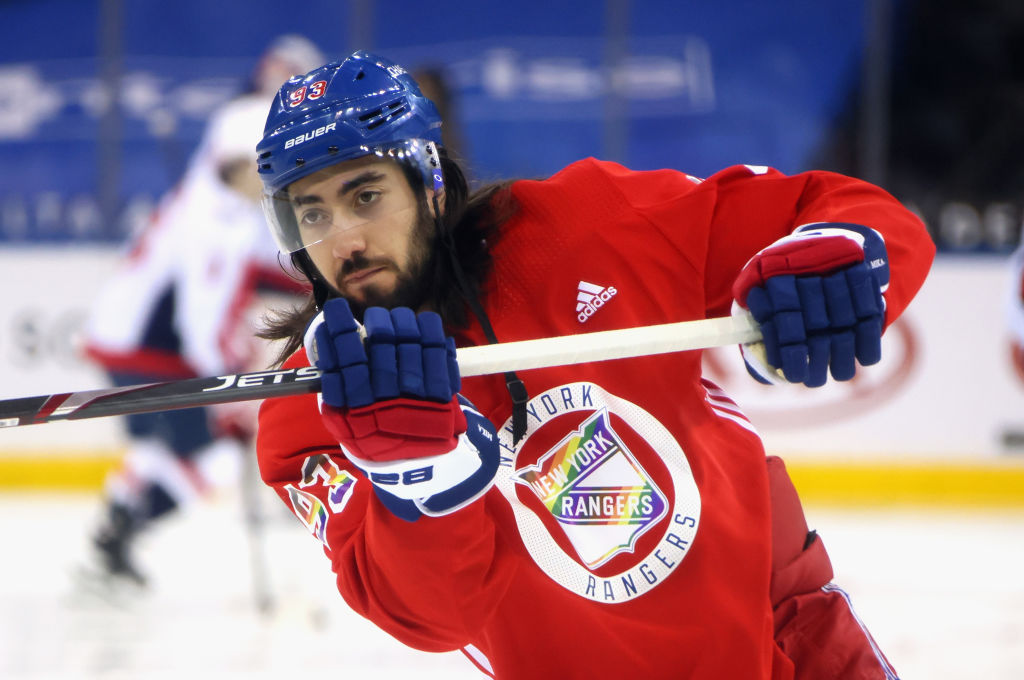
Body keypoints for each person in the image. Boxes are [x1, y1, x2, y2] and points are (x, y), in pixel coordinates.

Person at [254, 51, 934, 679]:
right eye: (311, 215)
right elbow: (431, 619)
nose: (342, 240)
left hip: (786, 639)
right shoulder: (306, 414)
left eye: (365, 196)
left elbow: (843, 210)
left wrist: (837, 256)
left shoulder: (587, 228)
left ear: (429, 180)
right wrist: (419, 486)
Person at [79, 36, 322, 587]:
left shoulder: (217, 201)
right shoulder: (218, 224)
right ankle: (117, 541)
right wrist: (232, 393)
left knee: (156, 450)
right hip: (148, 345)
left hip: (126, 336)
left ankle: (112, 536)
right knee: (207, 459)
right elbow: (200, 324)